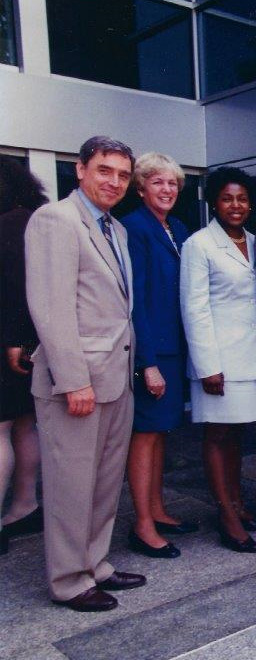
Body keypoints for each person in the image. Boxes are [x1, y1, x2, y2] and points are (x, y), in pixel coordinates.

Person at [25, 136, 145, 611]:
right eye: (104, 170)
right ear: (79, 170)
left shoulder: (116, 230)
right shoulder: (56, 220)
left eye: (121, 174)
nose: (114, 181)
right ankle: (70, 580)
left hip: (117, 377)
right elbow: (51, 309)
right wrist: (74, 380)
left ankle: (96, 564)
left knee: (102, 483)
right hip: (77, 384)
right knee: (71, 487)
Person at [180, 167, 256, 554]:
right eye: (228, 198)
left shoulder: (255, 241)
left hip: (249, 356)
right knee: (216, 434)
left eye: (243, 199)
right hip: (217, 361)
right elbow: (194, 308)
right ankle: (227, 518)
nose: (236, 205)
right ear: (214, 202)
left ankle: (237, 503)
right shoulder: (199, 244)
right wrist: (207, 366)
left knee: (236, 435)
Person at [120, 153, 195, 560]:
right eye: (158, 182)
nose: (167, 190)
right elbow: (135, 304)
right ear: (141, 187)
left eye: (173, 184)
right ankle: (142, 524)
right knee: (145, 436)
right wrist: (146, 362)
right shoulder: (135, 228)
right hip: (152, 351)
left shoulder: (178, 227)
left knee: (162, 433)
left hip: (175, 348)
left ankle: (158, 509)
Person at [0, 156, 46, 555]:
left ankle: (17, 510)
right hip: (24, 343)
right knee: (24, 424)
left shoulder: (11, 223)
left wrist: (17, 338)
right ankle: (24, 506)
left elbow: (16, 289)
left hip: (9, 344)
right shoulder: (31, 219)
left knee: (2, 430)